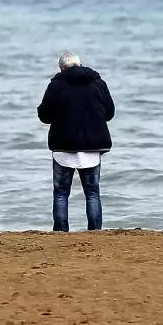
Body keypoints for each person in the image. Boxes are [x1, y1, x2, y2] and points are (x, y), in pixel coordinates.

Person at [36, 51, 115, 232]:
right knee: (93, 193)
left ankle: (61, 232)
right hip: (93, 145)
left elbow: (44, 116)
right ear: (80, 65)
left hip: (64, 146)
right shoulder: (98, 83)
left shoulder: (56, 86)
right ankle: (95, 232)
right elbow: (109, 113)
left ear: (62, 68)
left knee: (61, 193)